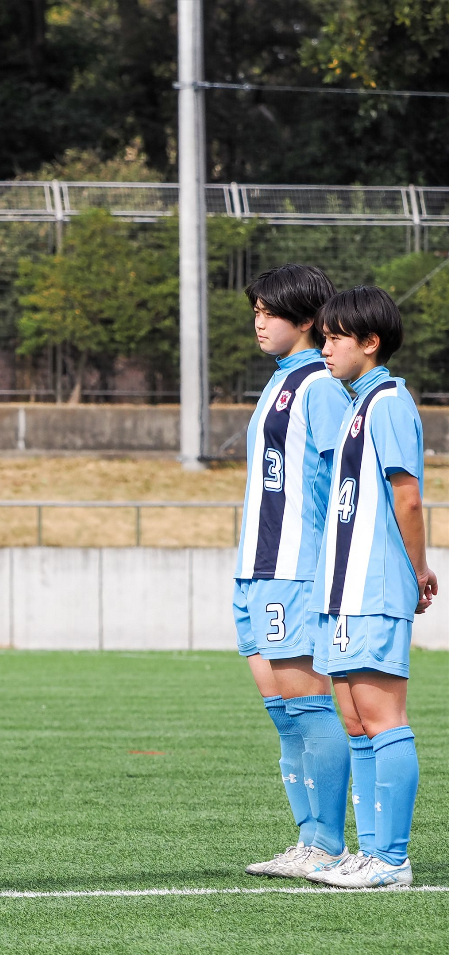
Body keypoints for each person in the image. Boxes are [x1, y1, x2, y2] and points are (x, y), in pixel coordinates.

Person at [305, 286, 437, 889]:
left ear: (370, 342)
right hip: (343, 591)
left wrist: (419, 569)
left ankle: (393, 858)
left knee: (383, 718)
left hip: (375, 586)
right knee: (355, 720)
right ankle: (369, 852)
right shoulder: (357, 403)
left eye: (335, 337)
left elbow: (406, 494)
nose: (325, 346)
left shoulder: (387, 400)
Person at [232, 265, 355, 881]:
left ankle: (329, 844)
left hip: (295, 568)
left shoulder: (320, 386)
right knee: (283, 713)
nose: (258, 321)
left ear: (306, 320)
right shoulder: (282, 381)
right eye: (255, 309)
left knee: (308, 707)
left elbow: (346, 478)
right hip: (256, 567)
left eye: (270, 311)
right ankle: (307, 840)